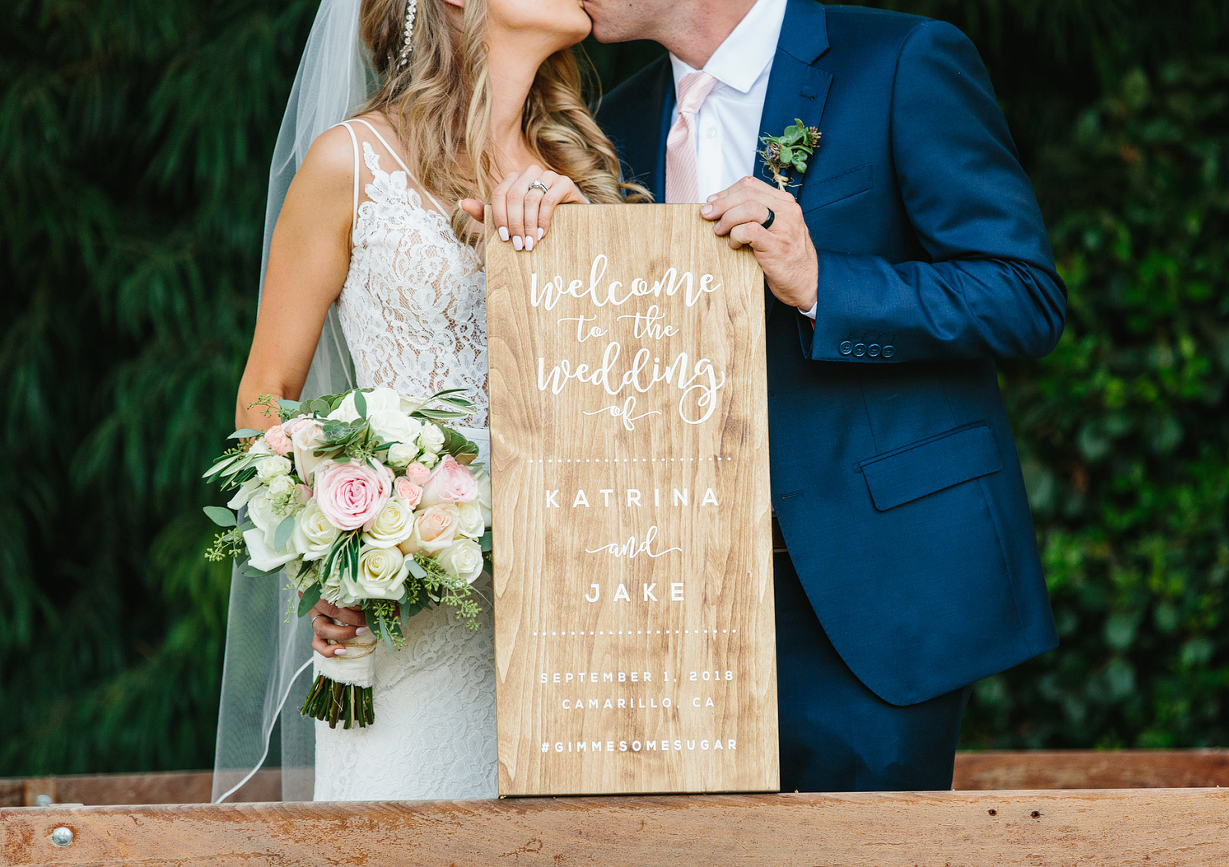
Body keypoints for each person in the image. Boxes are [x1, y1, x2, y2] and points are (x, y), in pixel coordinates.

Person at [587, 0, 1066, 791]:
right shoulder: (616, 119)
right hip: (679, 602)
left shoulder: (902, 60)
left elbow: (1021, 296)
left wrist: (820, 281)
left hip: (871, 584)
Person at [213, 0, 643, 803]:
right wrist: (342, 535)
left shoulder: (578, 168)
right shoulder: (351, 162)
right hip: (416, 621)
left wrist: (587, 247)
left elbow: (630, 396)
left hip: (573, 617)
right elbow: (264, 396)